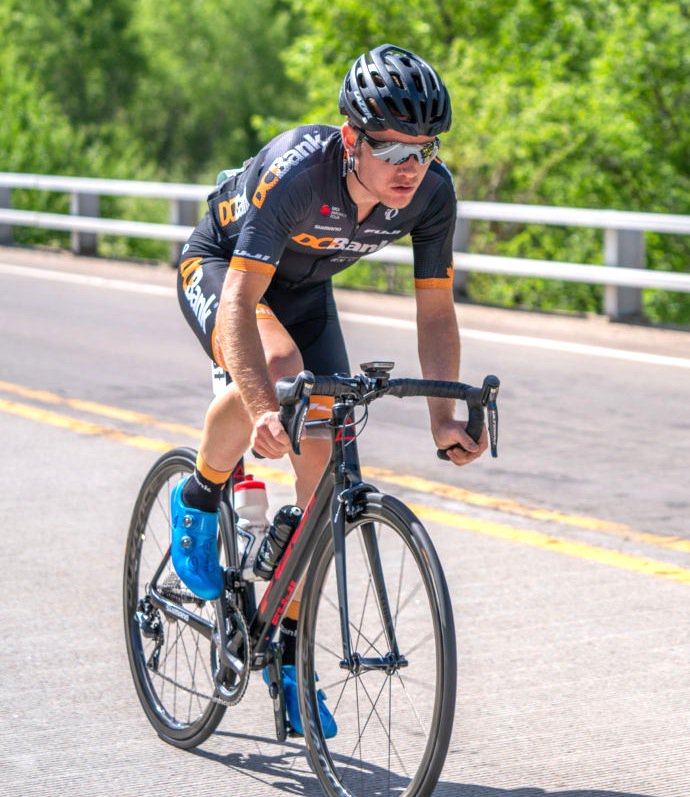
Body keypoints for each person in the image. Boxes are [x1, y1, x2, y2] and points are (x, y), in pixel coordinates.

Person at [171, 42, 488, 737]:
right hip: (225, 270)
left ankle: (286, 657)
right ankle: (196, 496)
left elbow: (436, 311)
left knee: (319, 486)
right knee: (281, 368)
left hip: (306, 293)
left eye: (424, 150)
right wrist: (262, 406)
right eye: (392, 149)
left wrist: (442, 418)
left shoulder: (432, 194)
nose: (410, 167)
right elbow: (241, 305)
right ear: (351, 138)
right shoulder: (297, 172)